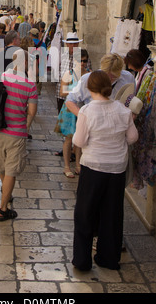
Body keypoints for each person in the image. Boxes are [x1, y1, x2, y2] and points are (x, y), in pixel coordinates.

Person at [72, 70, 138, 271]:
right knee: (112, 213)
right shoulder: (122, 110)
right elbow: (132, 137)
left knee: (85, 213)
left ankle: (82, 261)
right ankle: (108, 258)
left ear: (90, 88)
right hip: (117, 169)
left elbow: (80, 140)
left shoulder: (87, 111)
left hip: (94, 167)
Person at [0, 49, 38, 221]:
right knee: (11, 169)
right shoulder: (29, 84)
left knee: (2, 166)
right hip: (17, 132)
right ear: (25, 63)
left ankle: (6, 193)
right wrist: (25, 127)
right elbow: (32, 111)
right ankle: (3, 209)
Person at [54, 49, 90, 178]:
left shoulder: (90, 75)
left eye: (84, 61)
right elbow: (62, 92)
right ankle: (66, 166)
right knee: (69, 138)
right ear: (74, 60)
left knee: (80, 139)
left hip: (84, 109)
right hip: (70, 109)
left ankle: (79, 165)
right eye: (79, 60)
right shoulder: (69, 74)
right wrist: (77, 91)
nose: (82, 63)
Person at [66, 52, 135, 118]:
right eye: (106, 75)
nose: (109, 79)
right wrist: (84, 118)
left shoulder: (128, 77)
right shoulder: (87, 79)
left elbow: (131, 100)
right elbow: (70, 100)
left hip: (120, 125)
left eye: (114, 76)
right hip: (94, 124)